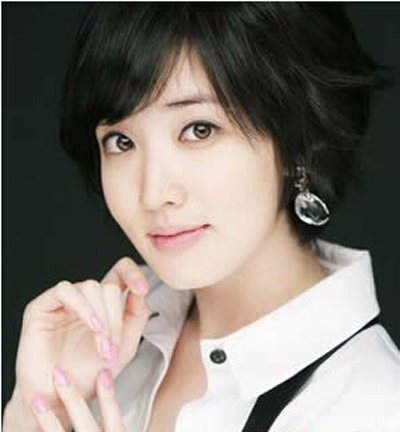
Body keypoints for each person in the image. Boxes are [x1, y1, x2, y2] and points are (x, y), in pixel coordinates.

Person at [3, 3, 400, 432]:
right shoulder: (104, 344)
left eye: (199, 130)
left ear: (296, 141)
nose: (153, 194)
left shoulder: (371, 406)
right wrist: (34, 413)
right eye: (120, 141)